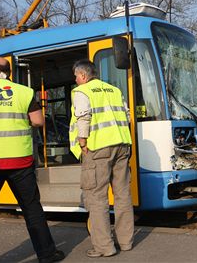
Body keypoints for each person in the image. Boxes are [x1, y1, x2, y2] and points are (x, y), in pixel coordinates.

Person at [0, 57, 64, 263]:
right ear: (9, 73)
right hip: (20, 163)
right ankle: (47, 254)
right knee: (32, 208)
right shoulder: (24, 92)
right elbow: (38, 121)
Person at [69, 60, 134, 258]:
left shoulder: (82, 91)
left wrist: (82, 142)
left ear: (82, 76)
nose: (75, 80)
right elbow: (128, 116)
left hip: (97, 148)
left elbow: (83, 117)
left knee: (97, 198)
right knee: (122, 195)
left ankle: (104, 247)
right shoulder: (114, 90)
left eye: (75, 76)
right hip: (122, 145)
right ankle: (126, 242)